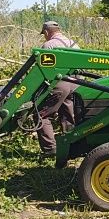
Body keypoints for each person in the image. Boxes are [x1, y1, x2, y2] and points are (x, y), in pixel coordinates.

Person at [37, 21, 79, 155]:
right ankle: (72, 143)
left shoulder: (49, 45)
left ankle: (51, 149)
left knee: (42, 114)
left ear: (47, 32)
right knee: (68, 113)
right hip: (77, 83)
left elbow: (43, 71)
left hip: (60, 84)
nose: (45, 36)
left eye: (44, 34)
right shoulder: (73, 43)